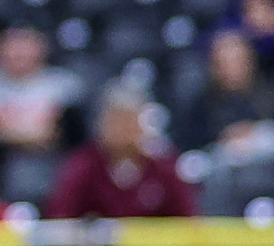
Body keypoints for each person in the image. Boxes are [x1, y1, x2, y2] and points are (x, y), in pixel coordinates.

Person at [46, 90, 196, 220]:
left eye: (130, 122)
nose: (124, 130)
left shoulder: (162, 168)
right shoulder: (84, 166)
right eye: (117, 122)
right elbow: (61, 222)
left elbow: (186, 221)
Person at [0, 23, 85, 155]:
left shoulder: (63, 84)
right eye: (11, 43)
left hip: (51, 157)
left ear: (42, 47)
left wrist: (3, 131)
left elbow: (63, 134)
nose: (19, 51)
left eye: (26, 42)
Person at [186, 27, 274, 169]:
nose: (232, 69)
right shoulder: (202, 103)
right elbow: (192, 145)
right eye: (224, 63)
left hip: (269, 167)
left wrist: (254, 131)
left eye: (238, 61)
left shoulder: (271, 94)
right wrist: (225, 137)